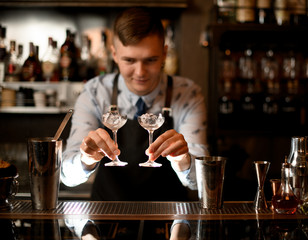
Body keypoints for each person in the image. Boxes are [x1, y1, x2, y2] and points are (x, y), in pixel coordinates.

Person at [61, 7, 208, 201]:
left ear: (164, 54)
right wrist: (86, 159)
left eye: (150, 60)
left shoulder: (188, 94)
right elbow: (68, 178)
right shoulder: (95, 93)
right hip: (107, 218)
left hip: (168, 220)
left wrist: (184, 160)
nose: (140, 72)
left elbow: (202, 182)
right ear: (114, 54)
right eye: (129, 60)